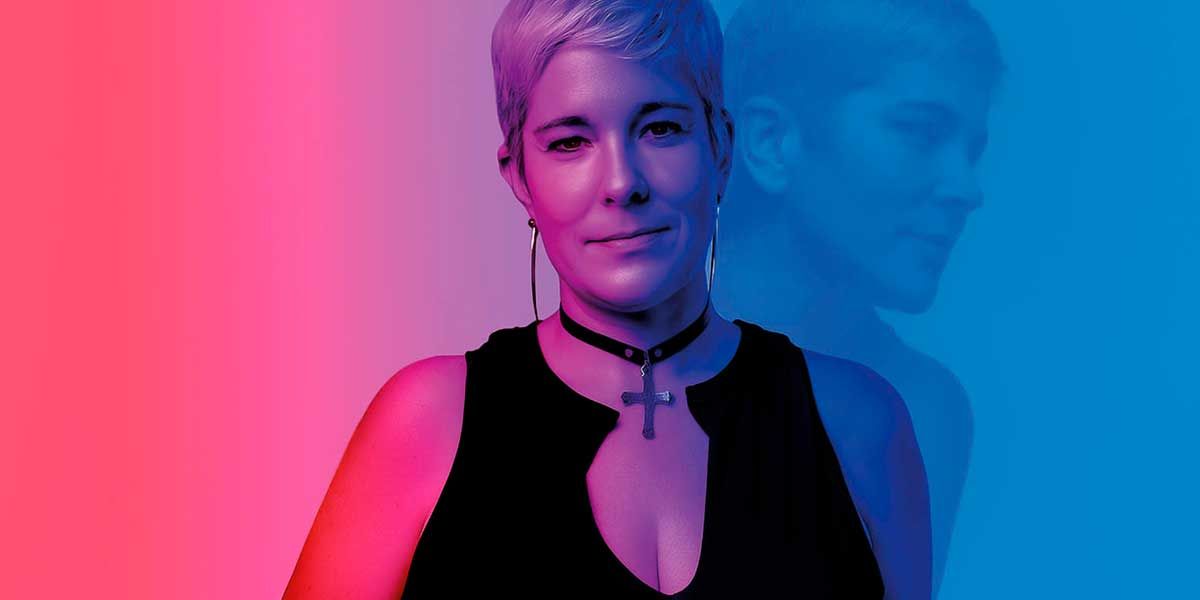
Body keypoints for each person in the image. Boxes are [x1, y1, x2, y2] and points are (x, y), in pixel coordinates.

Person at [284, 1, 929, 597]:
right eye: (570, 142)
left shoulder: (860, 423)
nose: (622, 183)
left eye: (661, 129)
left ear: (721, 149)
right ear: (519, 177)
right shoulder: (427, 421)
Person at [715, 1, 1005, 595]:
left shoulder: (924, 405)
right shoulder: (598, 361)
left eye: (972, 151)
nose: (968, 187)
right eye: (920, 132)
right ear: (771, 141)